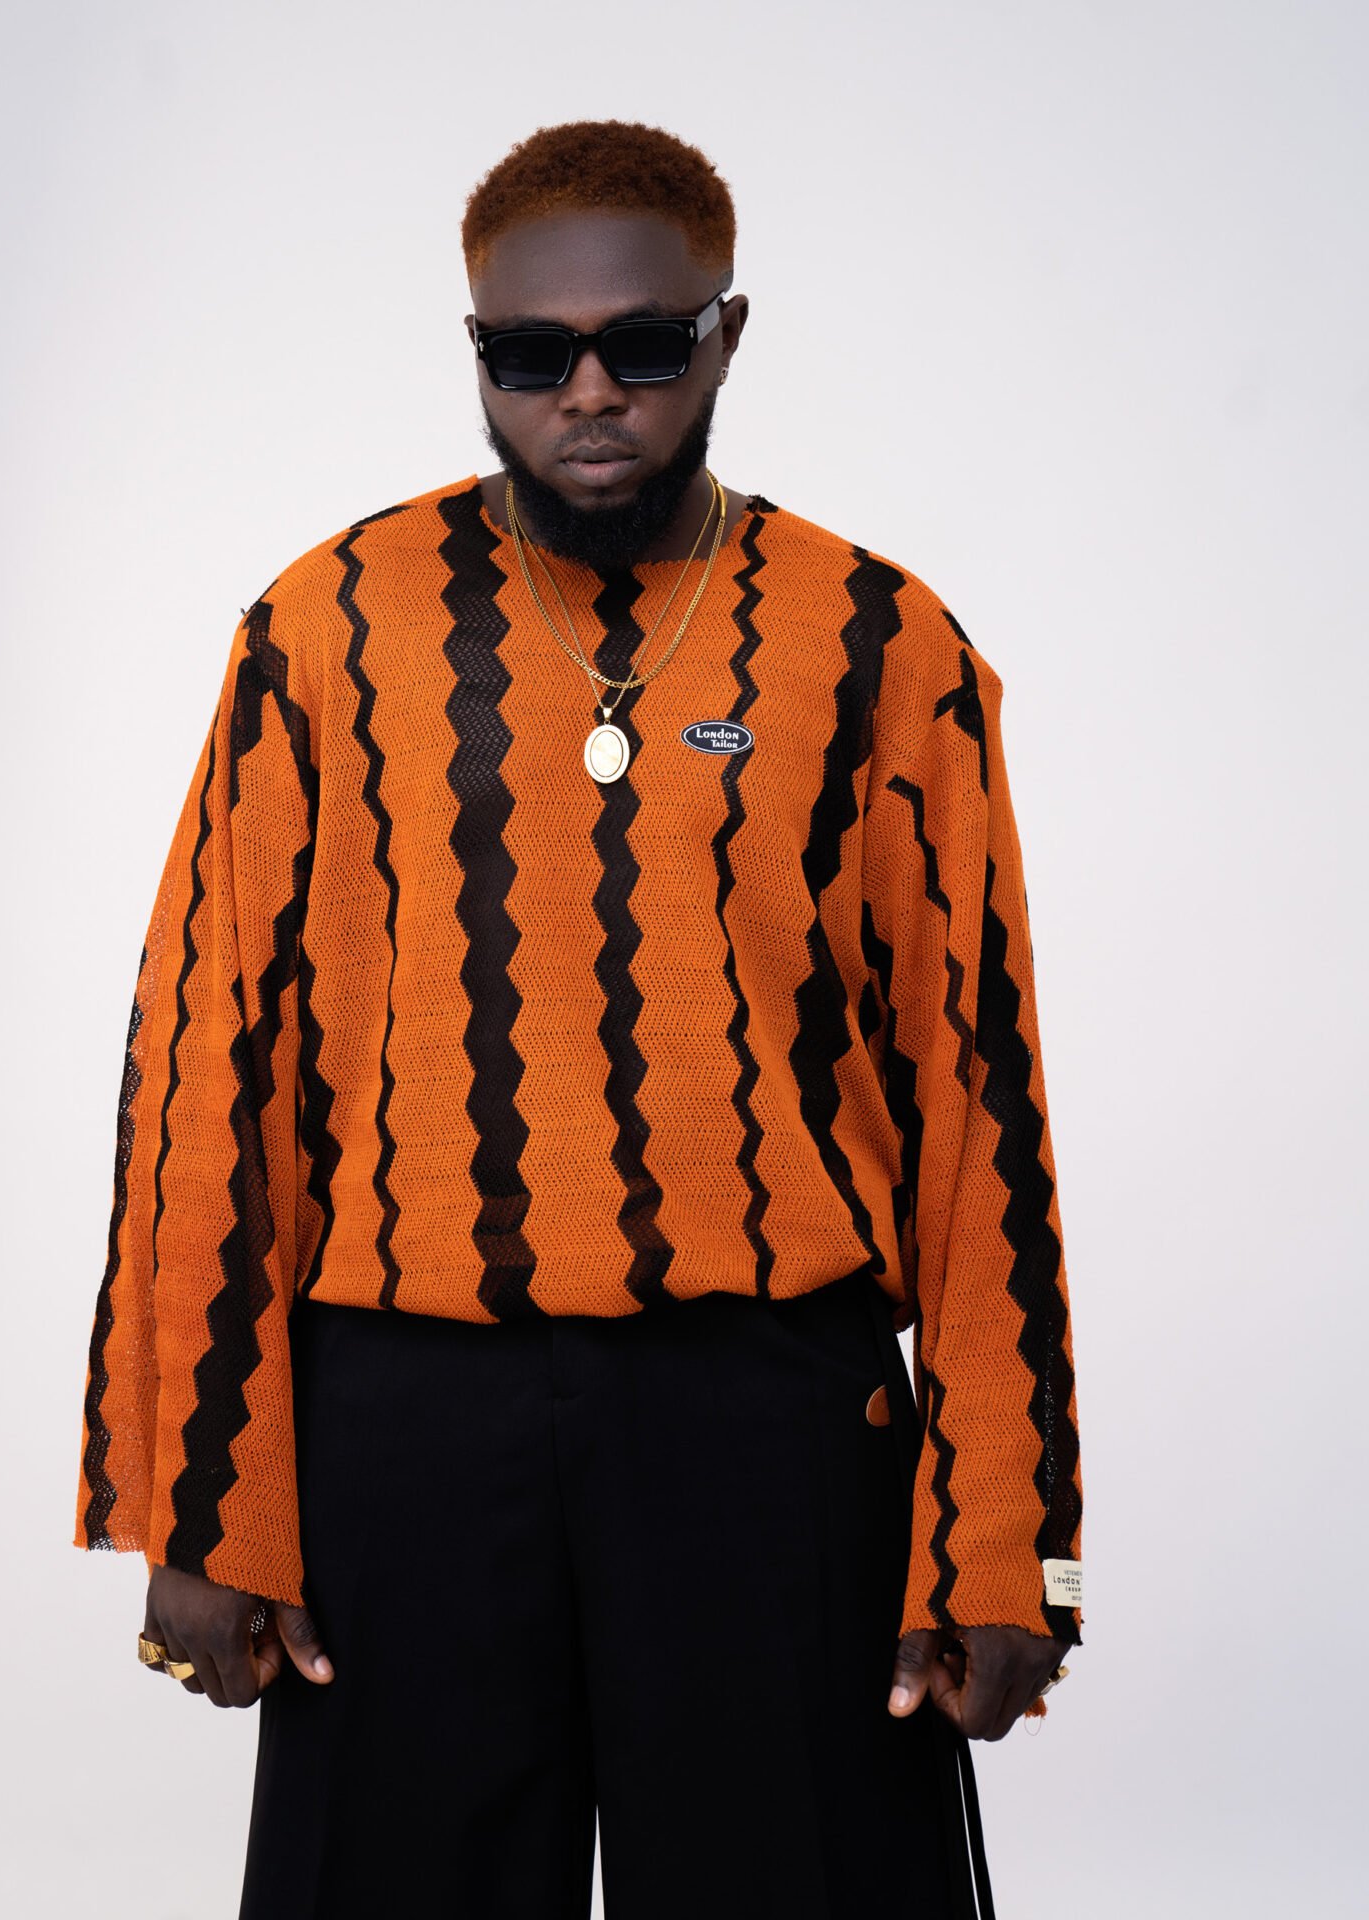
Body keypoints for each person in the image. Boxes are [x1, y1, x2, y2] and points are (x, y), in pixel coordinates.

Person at [72, 118, 1084, 1920]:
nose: (590, 392)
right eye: (530, 353)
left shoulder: (879, 644)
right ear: (479, 350)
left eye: (645, 343)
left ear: (728, 334)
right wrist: (207, 1489)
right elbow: (213, 1064)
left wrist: (1007, 1533)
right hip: (405, 1422)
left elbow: (976, 1101)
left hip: (771, 1419)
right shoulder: (327, 630)